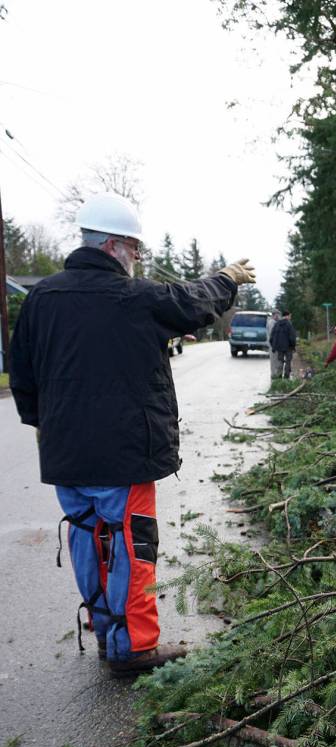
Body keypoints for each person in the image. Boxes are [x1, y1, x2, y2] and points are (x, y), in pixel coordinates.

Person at [9, 192, 257, 676]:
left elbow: (23, 375)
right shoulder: (133, 298)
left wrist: (43, 425)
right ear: (115, 246)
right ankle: (135, 648)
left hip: (66, 455)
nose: (138, 258)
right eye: (135, 249)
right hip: (123, 456)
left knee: (88, 539)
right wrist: (226, 279)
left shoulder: (41, 298)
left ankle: (108, 635)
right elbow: (193, 303)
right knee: (130, 544)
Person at [269, 309, 297, 379]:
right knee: (288, 361)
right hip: (288, 347)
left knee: (280, 361)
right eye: (290, 316)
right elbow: (292, 337)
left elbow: (272, 337)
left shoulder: (277, 324)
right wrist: (293, 346)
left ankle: (279, 375)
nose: (290, 318)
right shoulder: (289, 324)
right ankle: (286, 376)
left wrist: (274, 346)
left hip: (279, 347)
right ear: (287, 316)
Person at [266, 308, 281, 380]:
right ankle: (274, 376)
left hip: (272, 345)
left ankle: (274, 376)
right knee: (274, 362)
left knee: (274, 362)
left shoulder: (271, 322)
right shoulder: (272, 323)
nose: (279, 316)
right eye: (278, 315)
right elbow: (273, 335)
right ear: (275, 315)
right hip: (273, 345)